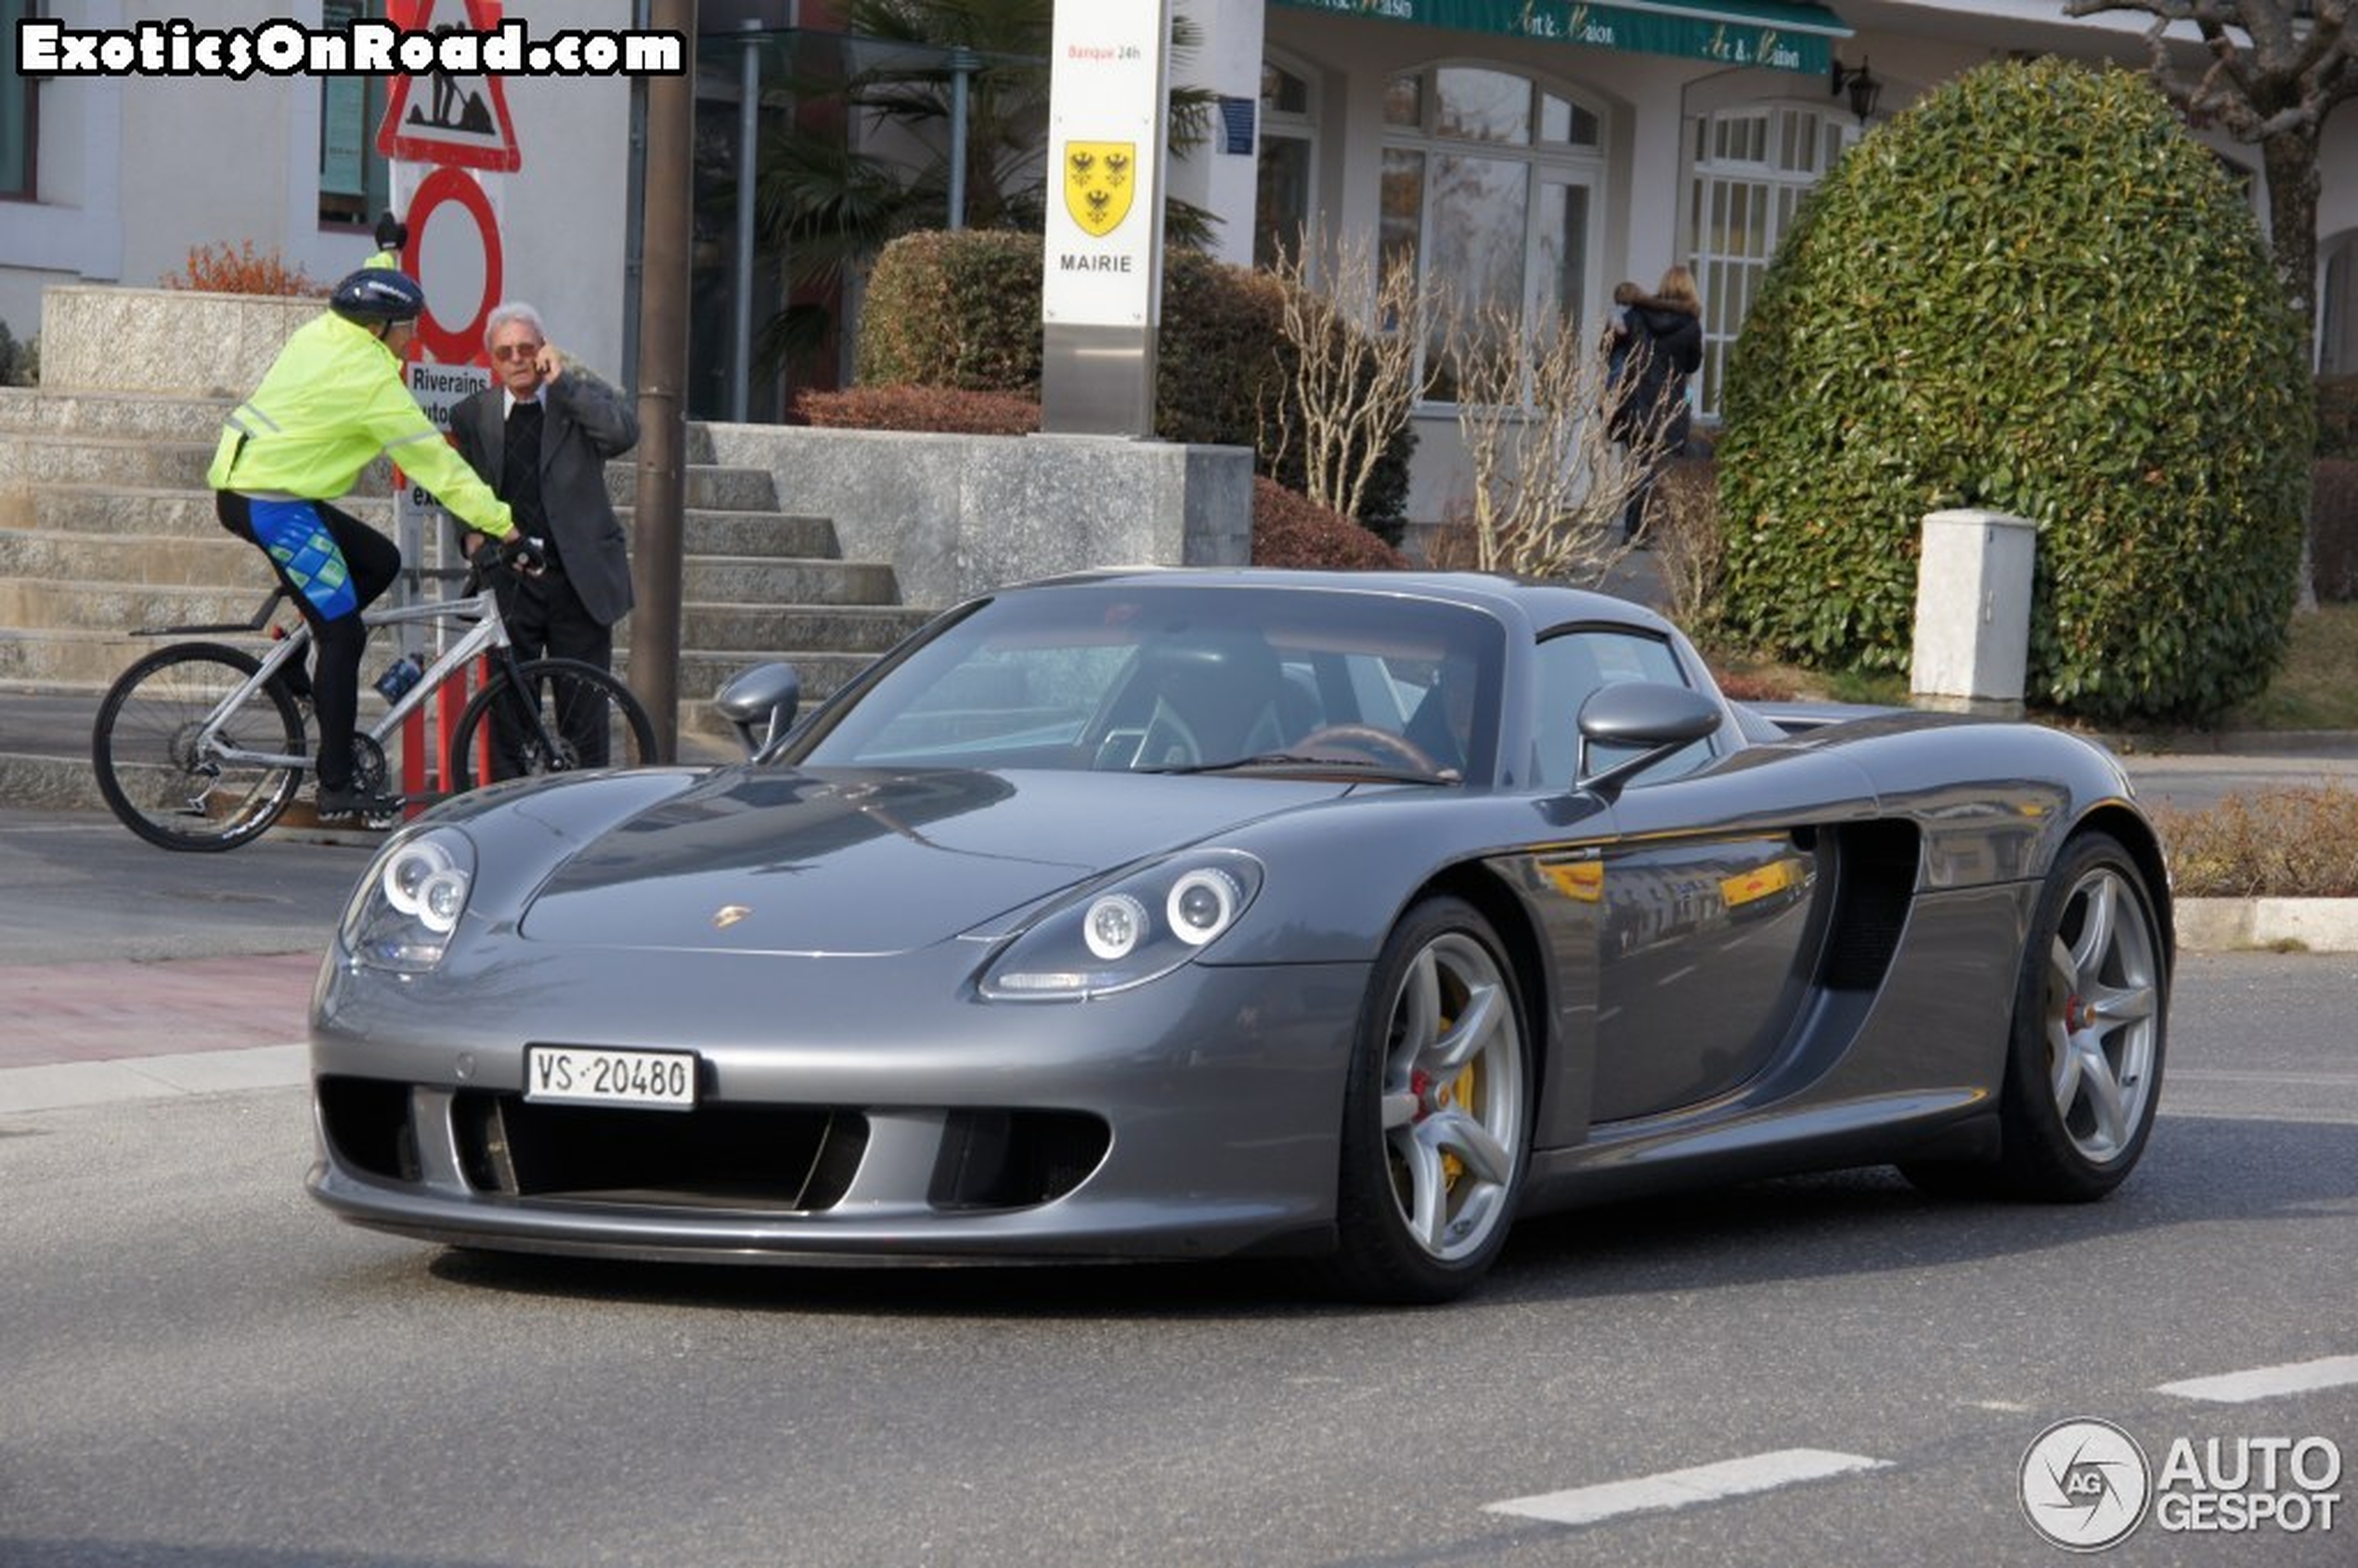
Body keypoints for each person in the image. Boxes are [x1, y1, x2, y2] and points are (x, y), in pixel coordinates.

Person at [207, 265, 525, 822]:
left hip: (266, 485)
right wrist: (504, 526)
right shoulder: (371, 382)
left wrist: (387, 252)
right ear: (376, 327)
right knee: (345, 635)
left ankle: (294, 651)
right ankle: (334, 785)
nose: (413, 337)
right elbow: (435, 464)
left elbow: (369, 284)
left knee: (381, 561)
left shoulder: (326, 329)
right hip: (272, 502)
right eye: (405, 327)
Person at [447, 302, 640, 772]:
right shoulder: (473, 414)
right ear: (492, 359)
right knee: (510, 712)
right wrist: (472, 540)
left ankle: (586, 806)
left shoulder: (576, 400)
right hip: (512, 578)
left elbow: (622, 434)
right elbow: (462, 486)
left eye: (526, 349)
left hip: (581, 579)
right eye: (505, 351)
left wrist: (565, 383)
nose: (517, 359)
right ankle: (508, 813)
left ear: (543, 350)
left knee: (585, 712)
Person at [1607, 266, 1704, 545]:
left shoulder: (1637, 314)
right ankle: (1641, 529)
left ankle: (1634, 529)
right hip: (1667, 404)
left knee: (1639, 465)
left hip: (1636, 401)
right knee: (1656, 468)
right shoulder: (1690, 324)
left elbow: (1611, 348)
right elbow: (1692, 364)